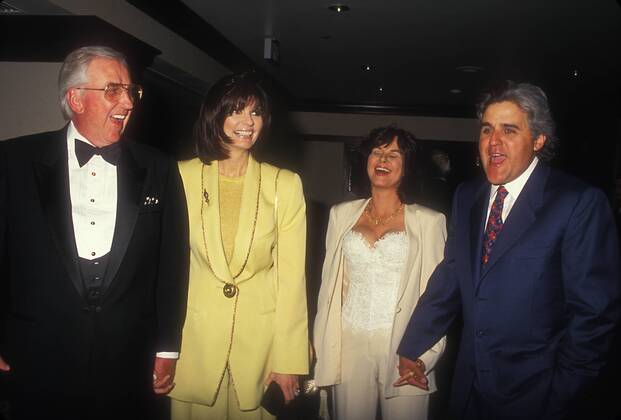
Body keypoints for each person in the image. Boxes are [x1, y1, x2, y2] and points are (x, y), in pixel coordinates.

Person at [397, 81, 621, 420]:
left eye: (509, 130)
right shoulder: (466, 197)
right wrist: (412, 345)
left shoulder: (577, 203)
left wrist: (559, 396)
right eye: (487, 129)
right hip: (467, 391)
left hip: (537, 397)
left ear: (538, 139)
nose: (494, 142)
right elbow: (451, 277)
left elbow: (593, 317)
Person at [0, 46, 190, 419]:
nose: (128, 102)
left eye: (131, 91)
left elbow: (172, 264)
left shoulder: (159, 167)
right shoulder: (12, 161)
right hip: (35, 357)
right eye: (113, 90)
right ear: (76, 98)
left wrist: (168, 348)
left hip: (128, 362)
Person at [169, 73, 309, 419]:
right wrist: (161, 348)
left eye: (256, 113)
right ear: (214, 116)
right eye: (236, 111)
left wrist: (289, 358)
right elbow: (165, 270)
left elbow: (292, 280)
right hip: (194, 343)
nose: (248, 122)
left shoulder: (284, 185)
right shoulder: (181, 176)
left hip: (261, 348)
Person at [313, 126, 447, 420]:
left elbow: (438, 299)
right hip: (348, 342)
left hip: (406, 346)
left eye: (393, 154)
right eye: (377, 151)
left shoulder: (431, 222)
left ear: (407, 166)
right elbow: (329, 287)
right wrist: (319, 341)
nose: (382, 159)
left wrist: (423, 357)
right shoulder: (340, 214)